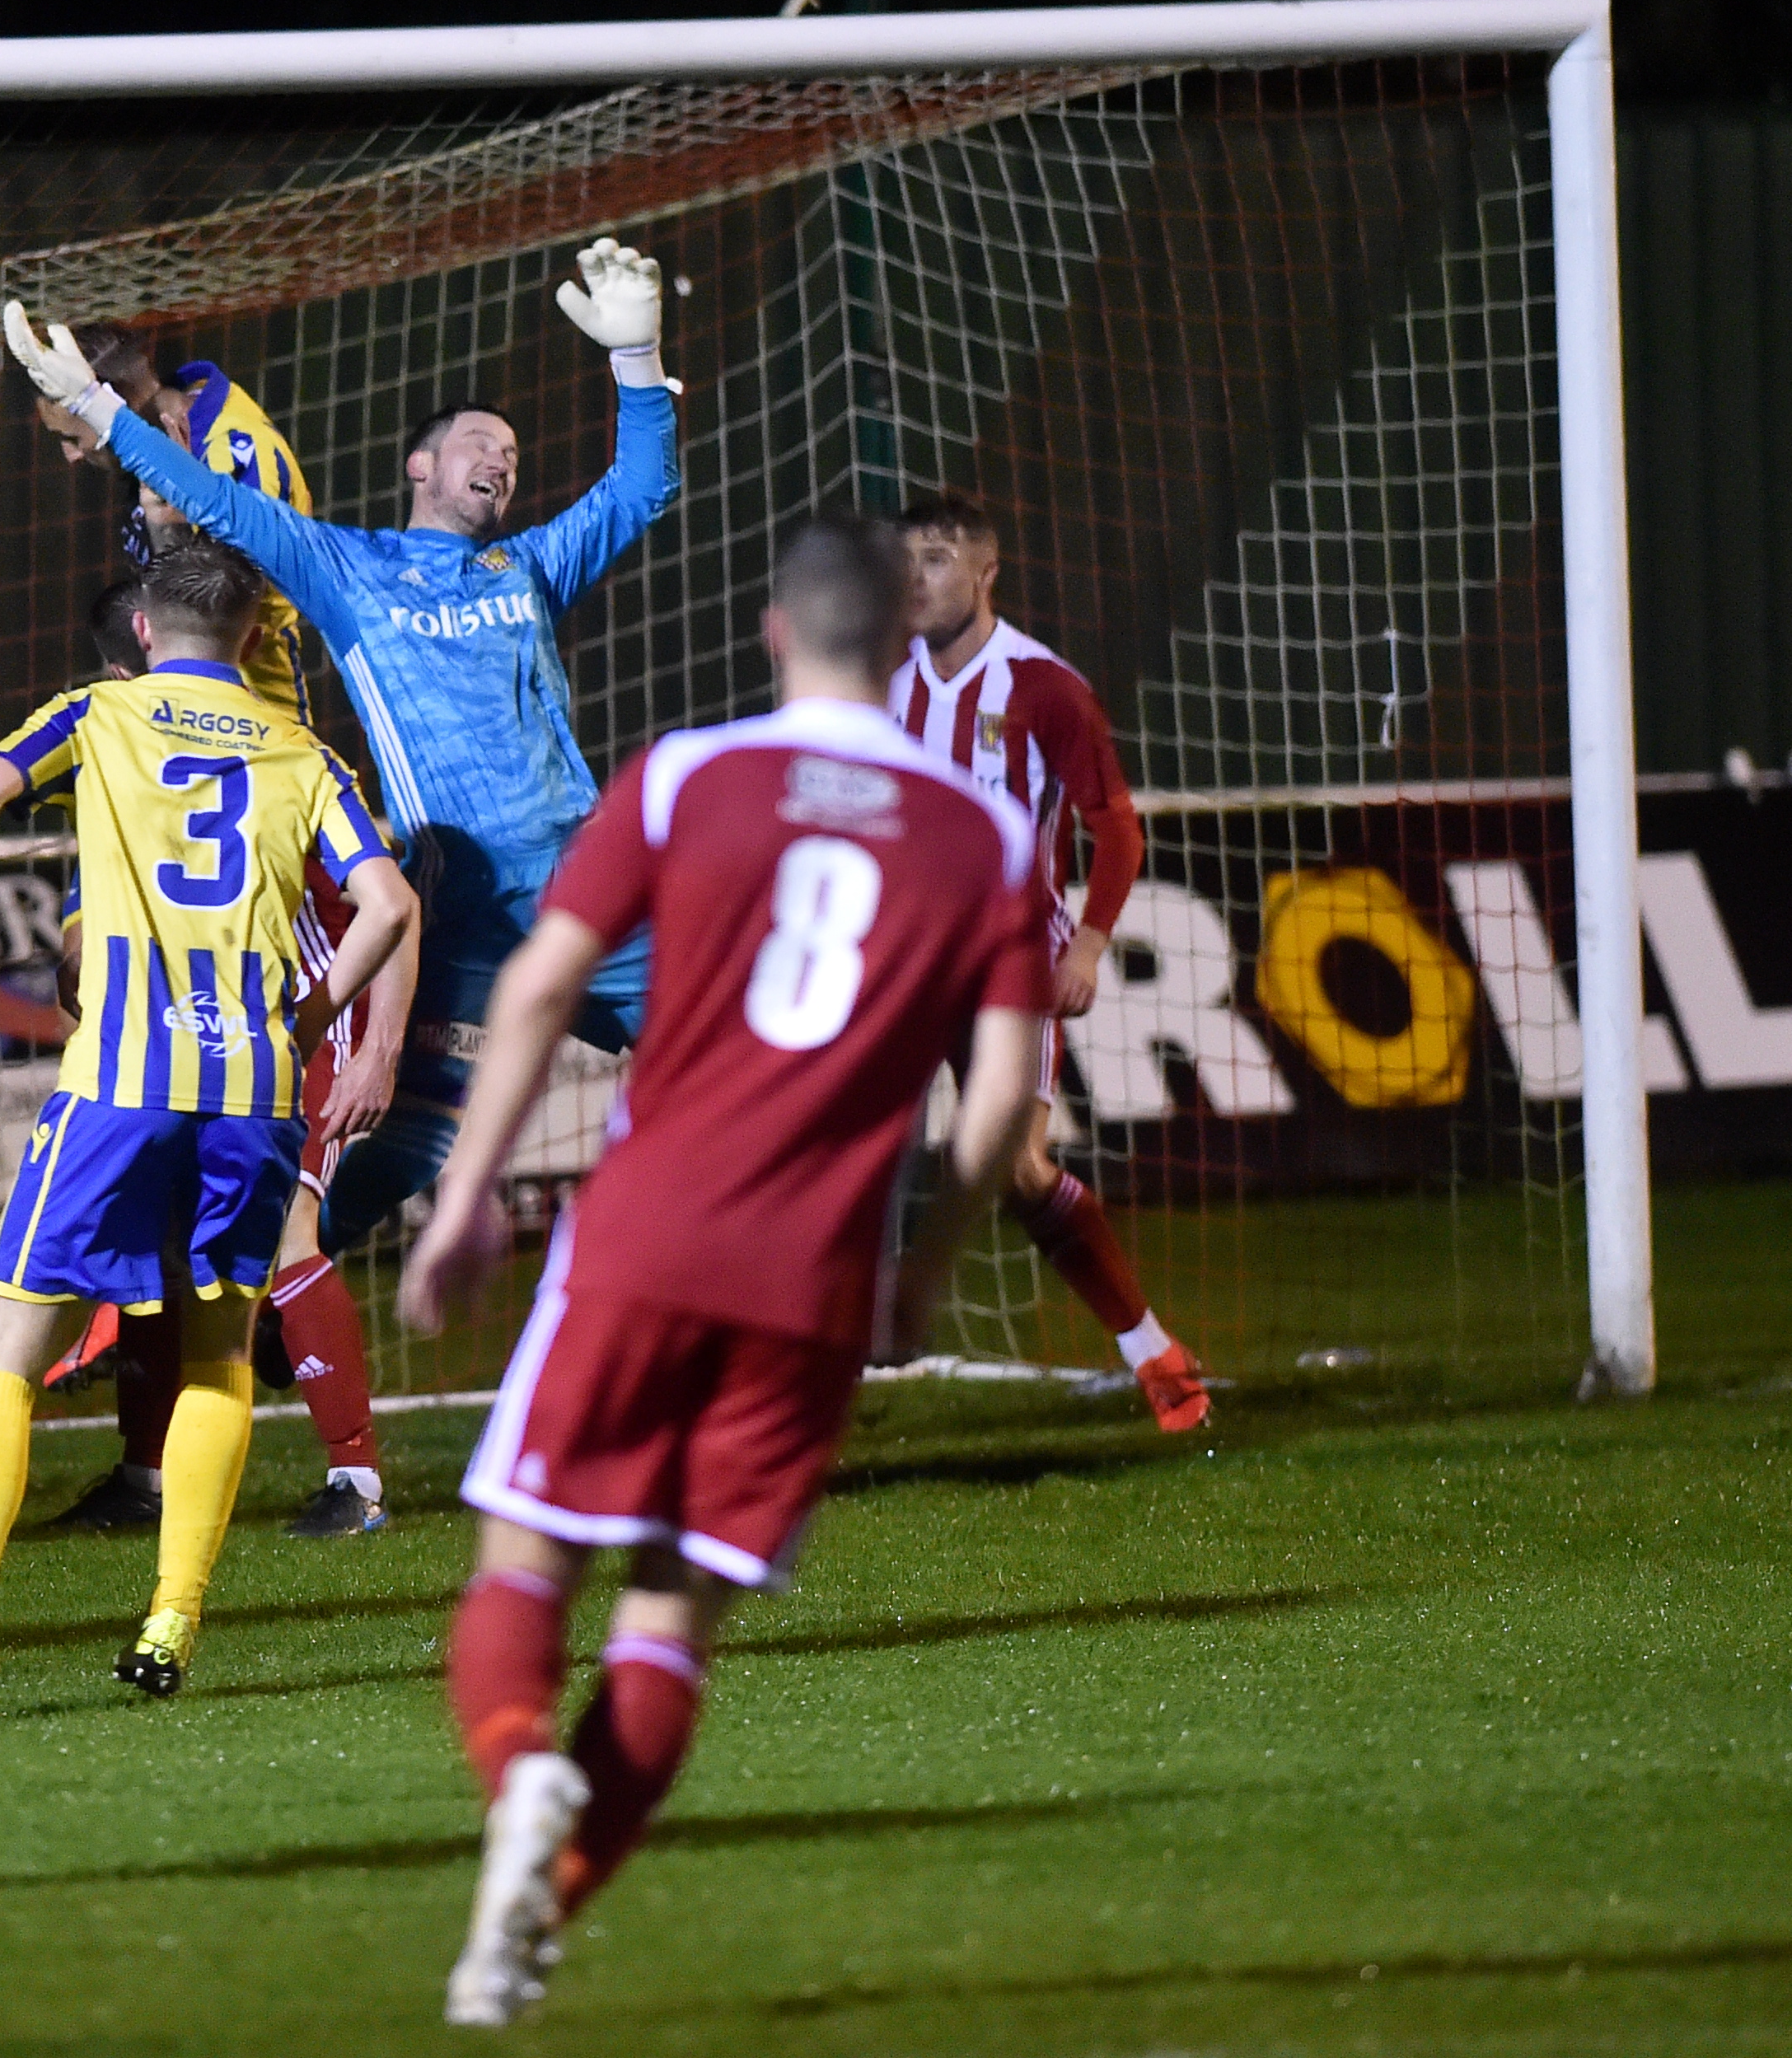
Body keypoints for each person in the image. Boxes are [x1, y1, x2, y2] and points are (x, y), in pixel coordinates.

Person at [395, 515, 1048, 2026]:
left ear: (771, 630)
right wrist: (924, 1269)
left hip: (638, 1239)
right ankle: (522, 1931)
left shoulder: (686, 777)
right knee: (671, 1617)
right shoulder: (984, 836)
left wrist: (465, 1196)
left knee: (525, 1557)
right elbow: (1003, 1096)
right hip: (809, 1286)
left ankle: (520, 1774)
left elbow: (550, 980)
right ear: (900, 651)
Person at [3, 239, 681, 1345]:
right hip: (456, 906)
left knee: (727, 1043)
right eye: (477, 445)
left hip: (585, 896)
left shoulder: (531, 566)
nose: (498, 462)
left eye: (509, 453)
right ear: (421, 468)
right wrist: (93, 403)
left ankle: (803, 1255)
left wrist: (637, 361)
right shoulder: (344, 566)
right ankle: (284, 1298)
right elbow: (206, 496)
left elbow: (642, 486)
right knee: (403, 1134)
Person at [0, 539, 415, 1721]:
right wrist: (318, 1012)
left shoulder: (104, 712)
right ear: (256, 635)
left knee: (6, 1356)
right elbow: (390, 903)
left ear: (147, 633)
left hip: (120, 1085)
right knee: (219, 1354)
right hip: (254, 1091)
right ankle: (172, 1619)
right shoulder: (301, 751)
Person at [32, 573, 418, 1543]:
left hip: (303, 1020)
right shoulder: (127, 762)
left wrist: (374, 1046)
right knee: (162, 1239)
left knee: (286, 1229)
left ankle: (357, 1482)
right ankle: (143, 1477)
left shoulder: (281, 747)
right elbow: (82, 929)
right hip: (202, 1031)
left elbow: (394, 910)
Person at [888, 491, 1205, 1431]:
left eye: (938, 558)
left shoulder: (1042, 686)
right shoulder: (873, 675)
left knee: (1020, 1172)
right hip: (900, 959)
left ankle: (1151, 1352)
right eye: (905, 558)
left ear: (986, 573)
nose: (916, 575)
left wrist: (1093, 944)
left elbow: (1114, 827)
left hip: (1006, 957)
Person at [32, 326, 318, 718]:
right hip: (181, 701)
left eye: (72, 437)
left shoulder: (236, 458)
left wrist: (169, 529)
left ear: (114, 404)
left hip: (250, 717)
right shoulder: (164, 438)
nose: (72, 455)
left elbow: (215, 615)